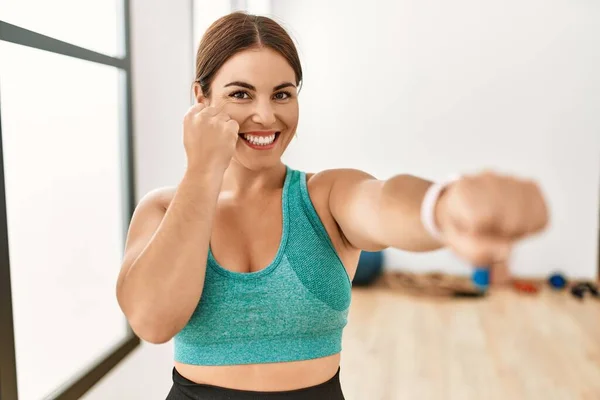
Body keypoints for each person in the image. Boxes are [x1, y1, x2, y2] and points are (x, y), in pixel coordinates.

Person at [116, 11, 549, 400]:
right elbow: (153, 322)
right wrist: (201, 172)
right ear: (201, 98)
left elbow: (381, 201)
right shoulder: (162, 210)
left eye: (282, 94)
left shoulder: (324, 196)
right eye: (241, 95)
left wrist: (441, 206)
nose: (266, 116)